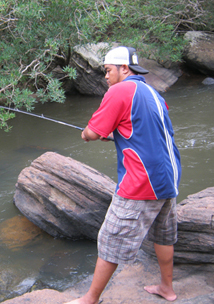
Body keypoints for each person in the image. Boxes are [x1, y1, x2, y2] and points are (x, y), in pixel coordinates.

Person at [65, 46, 181, 304]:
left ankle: (90, 299)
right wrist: (118, 133)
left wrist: (86, 134)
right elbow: (144, 130)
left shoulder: (119, 90)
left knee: (111, 239)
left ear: (124, 69)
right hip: (168, 178)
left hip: (142, 182)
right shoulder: (153, 92)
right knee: (163, 235)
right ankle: (167, 289)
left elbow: (92, 133)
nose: (105, 77)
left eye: (108, 70)